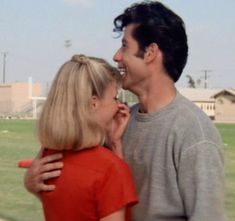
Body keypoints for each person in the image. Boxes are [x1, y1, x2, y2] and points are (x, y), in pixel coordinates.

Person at [24, 1, 225, 221]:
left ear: (150, 53)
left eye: (125, 46)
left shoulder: (194, 133)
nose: (117, 56)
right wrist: (33, 183)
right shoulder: (118, 121)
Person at [28, 54, 138, 221]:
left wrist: (114, 143)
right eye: (115, 98)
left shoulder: (47, 157)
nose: (119, 105)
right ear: (94, 103)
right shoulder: (111, 169)